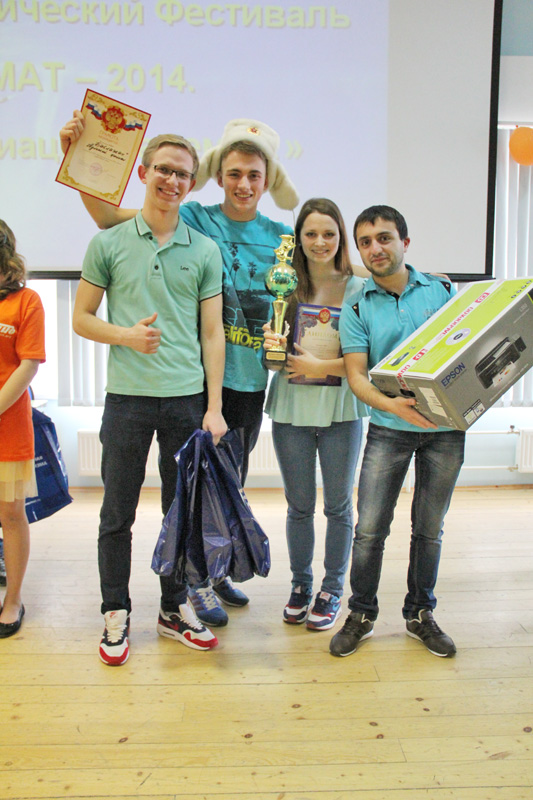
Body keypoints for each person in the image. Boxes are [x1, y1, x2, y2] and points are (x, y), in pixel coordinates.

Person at [60, 114, 299, 628]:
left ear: (268, 180)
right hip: (172, 389)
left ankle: (207, 578)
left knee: (216, 496)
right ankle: (174, 593)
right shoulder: (193, 218)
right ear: (215, 177)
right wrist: (78, 157)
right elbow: (110, 218)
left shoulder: (279, 237)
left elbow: (330, 262)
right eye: (234, 173)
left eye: (254, 175)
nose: (243, 184)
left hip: (240, 384)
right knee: (147, 506)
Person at [72, 133, 227, 665]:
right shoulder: (108, 243)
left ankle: (173, 608)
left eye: (182, 173)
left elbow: (212, 333)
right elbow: (81, 318)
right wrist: (126, 336)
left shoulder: (204, 250)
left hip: (186, 402)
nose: (172, 180)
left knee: (179, 514)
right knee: (117, 514)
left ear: (191, 183)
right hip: (127, 400)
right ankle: (115, 611)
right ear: (143, 173)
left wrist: (213, 407)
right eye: (163, 169)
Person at [330, 205, 465, 659]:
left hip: (446, 430)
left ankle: (420, 613)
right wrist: (392, 406)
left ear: (405, 242)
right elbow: (356, 376)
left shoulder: (442, 291)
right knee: (369, 530)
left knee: (429, 528)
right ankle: (361, 614)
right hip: (389, 430)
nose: (376, 248)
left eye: (384, 238)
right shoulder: (355, 306)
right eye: (365, 242)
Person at [263, 199, 368, 630]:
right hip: (291, 408)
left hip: (342, 408)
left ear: (341, 237)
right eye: (310, 234)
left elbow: (369, 362)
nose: (320, 242)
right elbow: (272, 364)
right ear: (298, 239)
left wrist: (320, 366)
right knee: (299, 506)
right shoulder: (284, 287)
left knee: (339, 506)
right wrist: (271, 347)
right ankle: (301, 584)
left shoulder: (360, 288)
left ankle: (332, 588)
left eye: (329, 233)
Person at [0, 220, 46, 638]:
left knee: (10, 515)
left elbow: (28, 364)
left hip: (7, 423)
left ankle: (12, 599)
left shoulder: (25, 301)